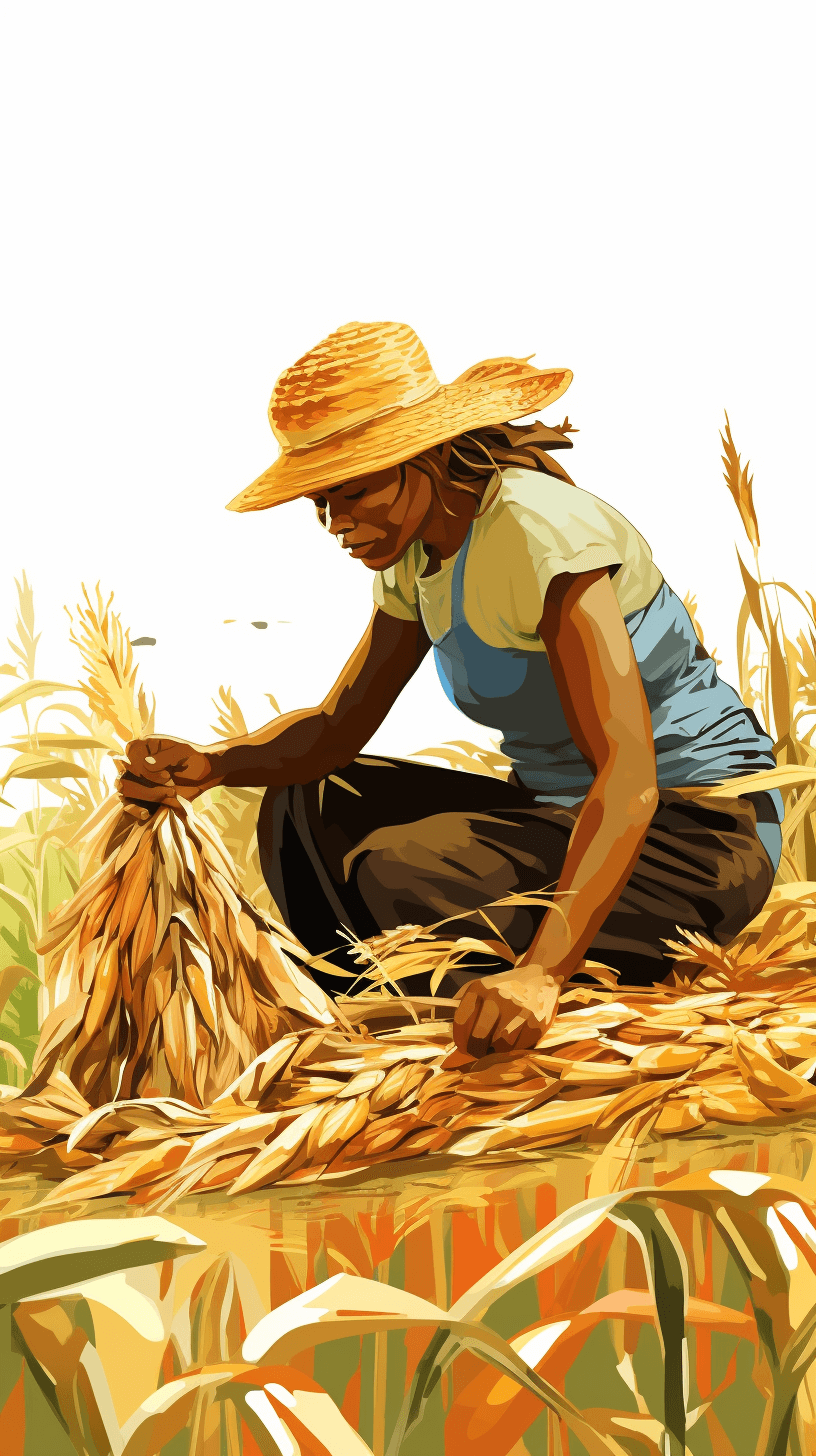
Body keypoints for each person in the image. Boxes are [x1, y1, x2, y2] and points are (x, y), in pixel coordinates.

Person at [120, 320, 784, 1060]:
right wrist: (214, 766)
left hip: (699, 836)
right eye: (320, 503)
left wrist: (540, 971)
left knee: (398, 868)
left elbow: (629, 778)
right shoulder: (414, 558)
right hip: (566, 815)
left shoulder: (540, 535)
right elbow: (338, 729)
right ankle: (368, 1014)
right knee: (306, 805)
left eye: (355, 491)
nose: (336, 524)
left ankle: (498, 1004)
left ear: (425, 459)